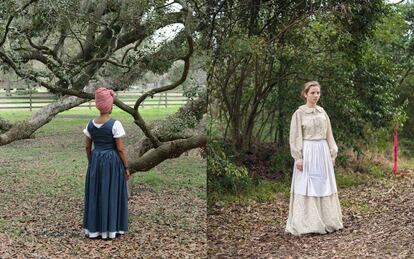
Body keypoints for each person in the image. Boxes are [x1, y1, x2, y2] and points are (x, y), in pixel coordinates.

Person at [285, 81, 343, 236]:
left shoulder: (322, 112)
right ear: (305, 94)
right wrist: (298, 157)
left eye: (318, 92)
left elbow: (329, 133)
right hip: (308, 152)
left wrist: (332, 151)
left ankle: (327, 221)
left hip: (322, 151)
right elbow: (295, 136)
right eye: (312, 93)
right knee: (307, 185)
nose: (316, 96)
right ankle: (308, 224)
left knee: (323, 184)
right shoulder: (299, 113)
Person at [82, 87, 131, 239]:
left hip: (96, 159)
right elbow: (120, 148)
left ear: (98, 105)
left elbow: (87, 146)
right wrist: (126, 167)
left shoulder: (90, 124)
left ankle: (94, 230)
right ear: (110, 105)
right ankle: (111, 229)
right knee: (111, 192)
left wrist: (92, 162)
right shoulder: (115, 124)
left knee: (96, 193)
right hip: (112, 162)